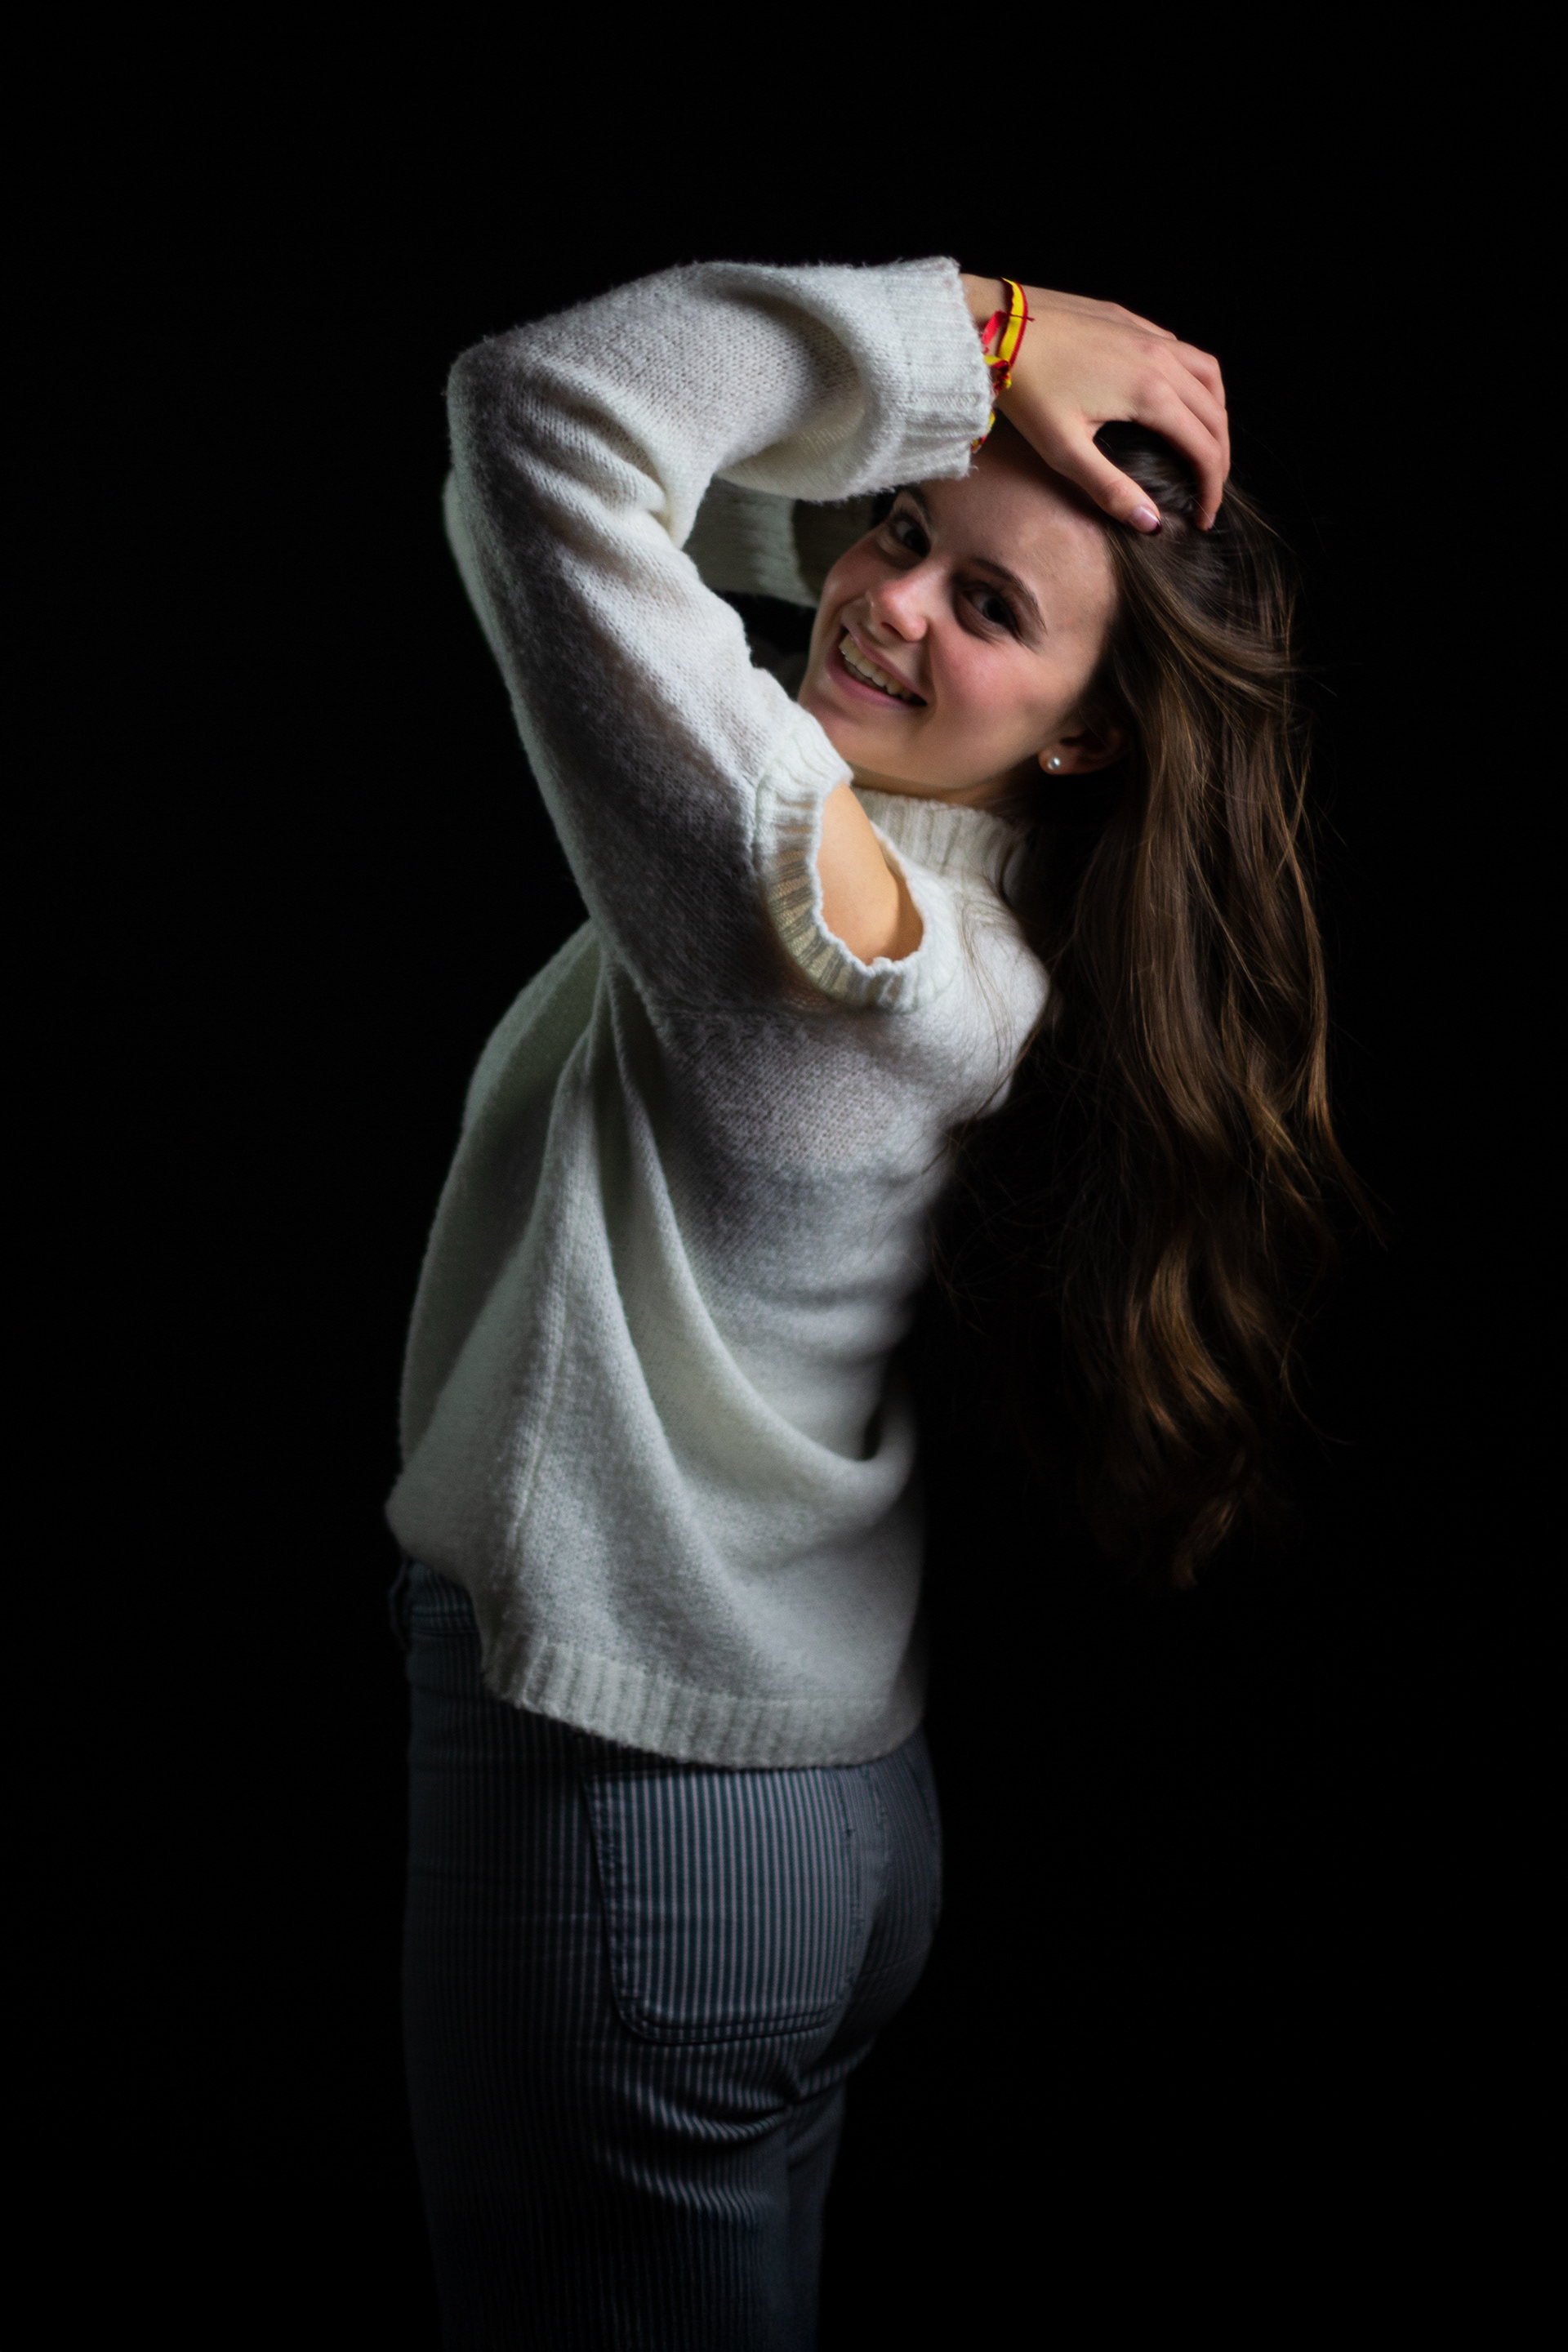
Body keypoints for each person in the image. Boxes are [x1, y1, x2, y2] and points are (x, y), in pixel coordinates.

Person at [386, 257, 1355, 2347]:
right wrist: (973, 444)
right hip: (804, 1798)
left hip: (633, 1799)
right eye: (901, 528)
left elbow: (548, 425)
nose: (887, 599)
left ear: (1089, 730)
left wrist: (984, 330)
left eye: (987, 606)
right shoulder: (949, 902)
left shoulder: (813, 927)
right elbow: (749, 517)